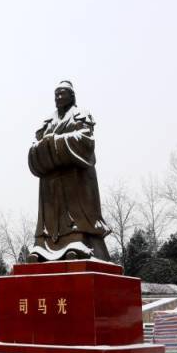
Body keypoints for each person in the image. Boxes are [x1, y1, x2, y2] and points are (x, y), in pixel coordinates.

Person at [27, 81, 110, 262]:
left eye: (62, 93)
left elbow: (85, 140)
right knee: (49, 215)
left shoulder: (81, 115)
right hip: (51, 181)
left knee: (75, 214)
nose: (58, 97)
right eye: (56, 94)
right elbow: (36, 145)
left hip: (75, 178)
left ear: (71, 96)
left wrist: (54, 143)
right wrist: (42, 148)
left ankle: (78, 242)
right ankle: (43, 246)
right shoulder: (48, 121)